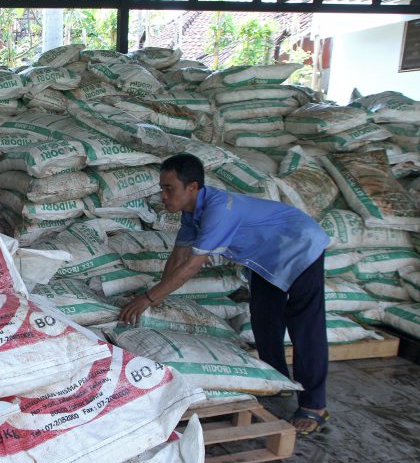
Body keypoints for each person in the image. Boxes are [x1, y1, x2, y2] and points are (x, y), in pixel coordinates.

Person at [119, 153, 331, 435]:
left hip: (300, 244)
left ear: (192, 187)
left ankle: (314, 405)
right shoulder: (191, 212)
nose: (163, 195)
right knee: (264, 318)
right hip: (267, 256)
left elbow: (192, 266)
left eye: (168, 188)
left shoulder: (219, 211)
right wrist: (159, 295)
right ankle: (277, 381)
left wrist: (148, 299)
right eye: (162, 188)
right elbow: (179, 256)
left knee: (305, 325)